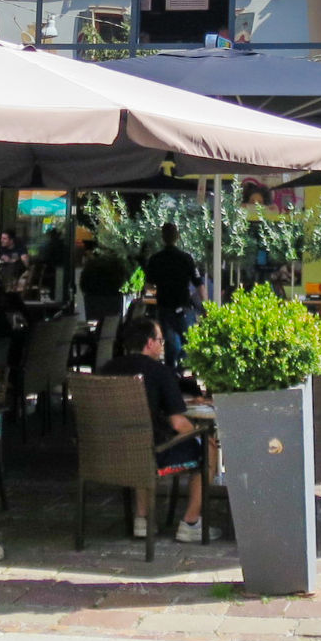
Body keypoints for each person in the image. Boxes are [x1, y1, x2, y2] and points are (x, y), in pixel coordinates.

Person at [99, 316, 208, 542]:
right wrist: (201, 435)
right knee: (208, 448)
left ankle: (143, 518)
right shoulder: (159, 372)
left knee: (138, 440)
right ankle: (191, 522)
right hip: (150, 455)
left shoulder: (106, 370)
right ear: (149, 343)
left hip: (105, 453)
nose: (162, 345)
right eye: (160, 340)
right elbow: (178, 423)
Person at [142, 224, 201, 367]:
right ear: (177, 237)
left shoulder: (155, 259)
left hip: (163, 307)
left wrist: (149, 308)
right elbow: (199, 282)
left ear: (163, 237)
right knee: (188, 342)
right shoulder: (186, 258)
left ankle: (171, 372)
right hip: (183, 306)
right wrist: (204, 305)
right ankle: (181, 369)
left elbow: (149, 286)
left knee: (170, 345)